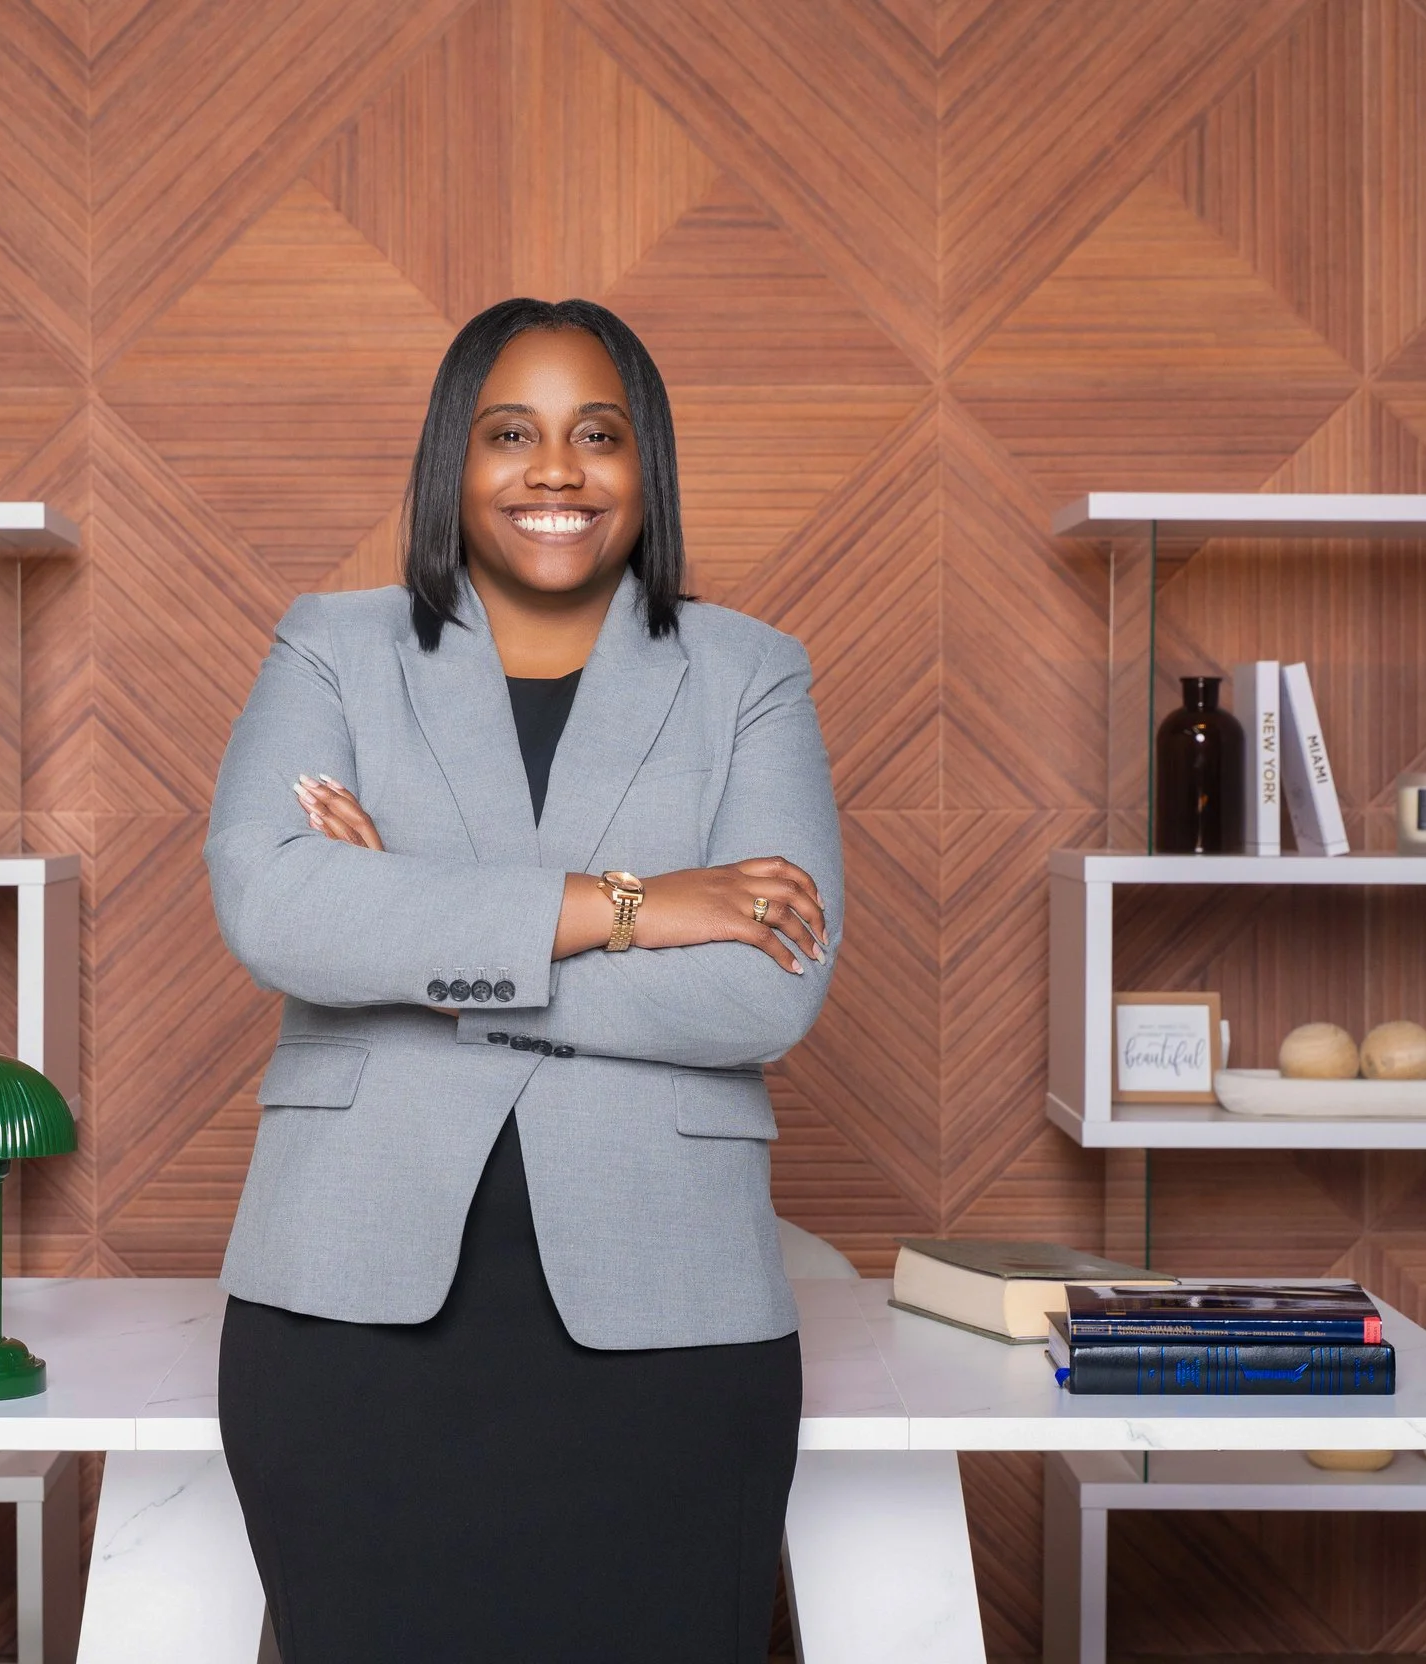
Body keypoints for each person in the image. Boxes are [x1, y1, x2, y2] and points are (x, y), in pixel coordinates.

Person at [204, 296, 844, 1663]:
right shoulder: (332, 646)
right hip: (348, 1318)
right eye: (511, 433)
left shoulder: (750, 674)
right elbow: (276, 908)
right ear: (455, 455)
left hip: (673, 1322)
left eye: (597, 434)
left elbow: (766, 989)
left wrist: (413, 932)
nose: (557, 469)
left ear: (646, 464)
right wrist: (638, 906)